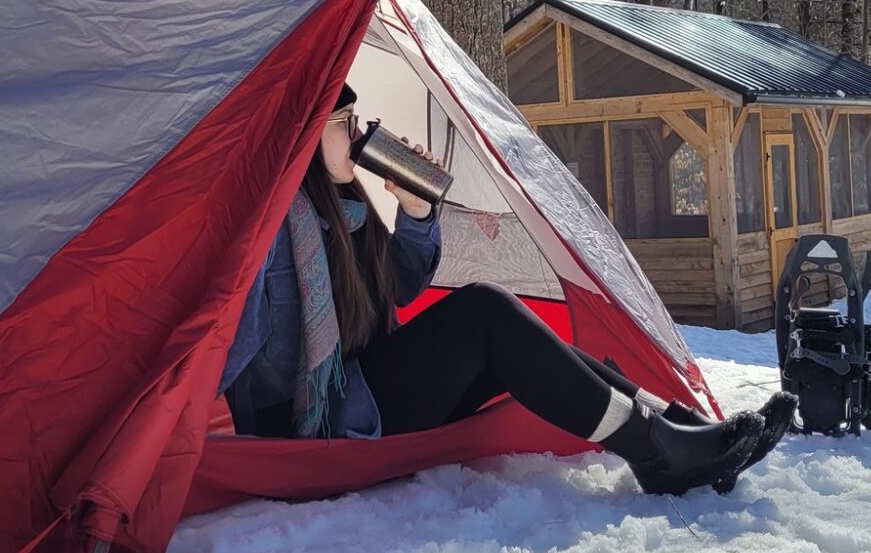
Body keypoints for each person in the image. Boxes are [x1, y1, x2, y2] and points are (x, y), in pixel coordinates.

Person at [218, 84, 794, 495]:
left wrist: (417, 213)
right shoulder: (270, 232)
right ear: (302, 134)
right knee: (483, 311)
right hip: (315, 422)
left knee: (508, 338)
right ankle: (656, 452)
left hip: (367, 386)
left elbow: (399, 288)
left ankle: (680, 425)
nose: (360, 135)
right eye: (343, 123)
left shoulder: (346, 211)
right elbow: (222, 347)